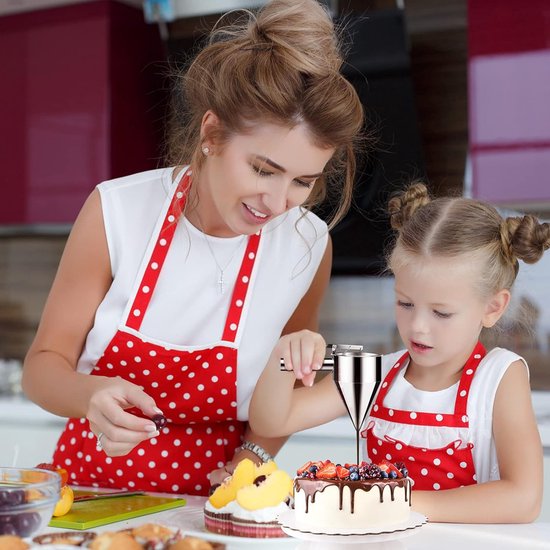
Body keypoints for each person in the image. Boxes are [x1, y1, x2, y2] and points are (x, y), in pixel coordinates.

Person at [21, 0, 364, 496]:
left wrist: (253, 458)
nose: (275, 202)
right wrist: (89, 394)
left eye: (302, 181)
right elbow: (42, 367)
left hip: (216, 503)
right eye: (263, 170)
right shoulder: (118, 211)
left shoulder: (306, 244)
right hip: (88, 492)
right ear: (211, 133)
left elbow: (291, 380)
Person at [249, 182, 547, 523]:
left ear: (493, 308)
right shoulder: (371, 372)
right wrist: (282, 358)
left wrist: (391, 502)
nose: (417, 326)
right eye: (405, 303)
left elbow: (523, 500)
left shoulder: (499, 376)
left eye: (441, 313)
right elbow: (271, 420)